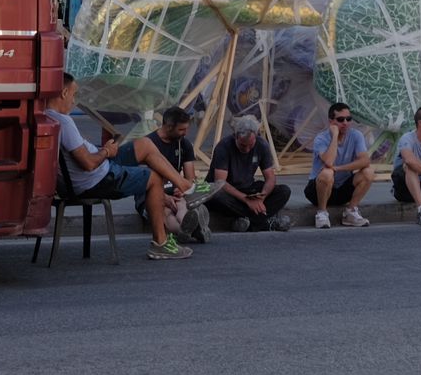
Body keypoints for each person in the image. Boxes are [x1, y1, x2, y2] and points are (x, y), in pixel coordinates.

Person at [42, 76, 189, 261]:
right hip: (96, 178)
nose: (74, 100)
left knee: (144, 144)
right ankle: (160, 242)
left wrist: (104, 152)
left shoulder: (49, 116)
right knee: (153, 178)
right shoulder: (64, 122)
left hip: (98, 167)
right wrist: (106, 151)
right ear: (64, 93)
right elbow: (87, 164)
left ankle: (183, 185)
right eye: (74, 94)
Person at [207, 117, 292, 233]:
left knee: (284, 191)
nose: (247, 149)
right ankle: (264, 223)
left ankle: (247, 222)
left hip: (248, 189)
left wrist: (262, 197)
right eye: (242, 145)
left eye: (250, 145)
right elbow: (220, 183)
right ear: (236, 136)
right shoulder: (223, 147)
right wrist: (246, 200)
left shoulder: (262, 145)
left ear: (256, 136)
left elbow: (270, 177)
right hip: (228, 192)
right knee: (217, 195)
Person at [146, 105, 212, 246]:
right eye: (181, 129)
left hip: (176, 193)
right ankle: (190, 231)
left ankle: (188, 228)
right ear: (169, 127)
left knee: (182, 205)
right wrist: (163, 196)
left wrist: (183, 189)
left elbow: (189, 178)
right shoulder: (148, 144)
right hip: (153, 194)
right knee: (166, 211)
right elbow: (142, 181)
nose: (185, 133)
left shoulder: (185, 144)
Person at [308, 101, 374, 229]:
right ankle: (322, 212)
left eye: (348, 119)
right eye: (340, 119)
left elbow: (365, 161)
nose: (345, 123)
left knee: (369, 172)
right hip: (317, 189)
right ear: (331, 121)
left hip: (342, 187)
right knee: (327, 172)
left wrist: (339, 168)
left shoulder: (356, 135)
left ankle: (351, 211)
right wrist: (335, 136)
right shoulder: (321, 138)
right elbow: (329, 162)